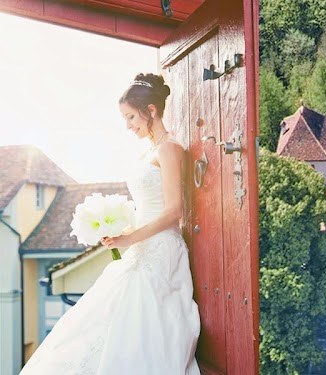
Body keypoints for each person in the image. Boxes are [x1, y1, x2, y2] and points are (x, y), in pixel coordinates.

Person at [20, 74, 200, 374]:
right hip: (141, 244)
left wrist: (130, 239)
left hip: (161, 249)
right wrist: (124, 232)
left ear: (151, 110)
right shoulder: (148, 151)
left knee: (138, 324)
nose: (128, 125)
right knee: (103, 318)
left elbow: (174, 211)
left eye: (131, 117)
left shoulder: (169, 149)